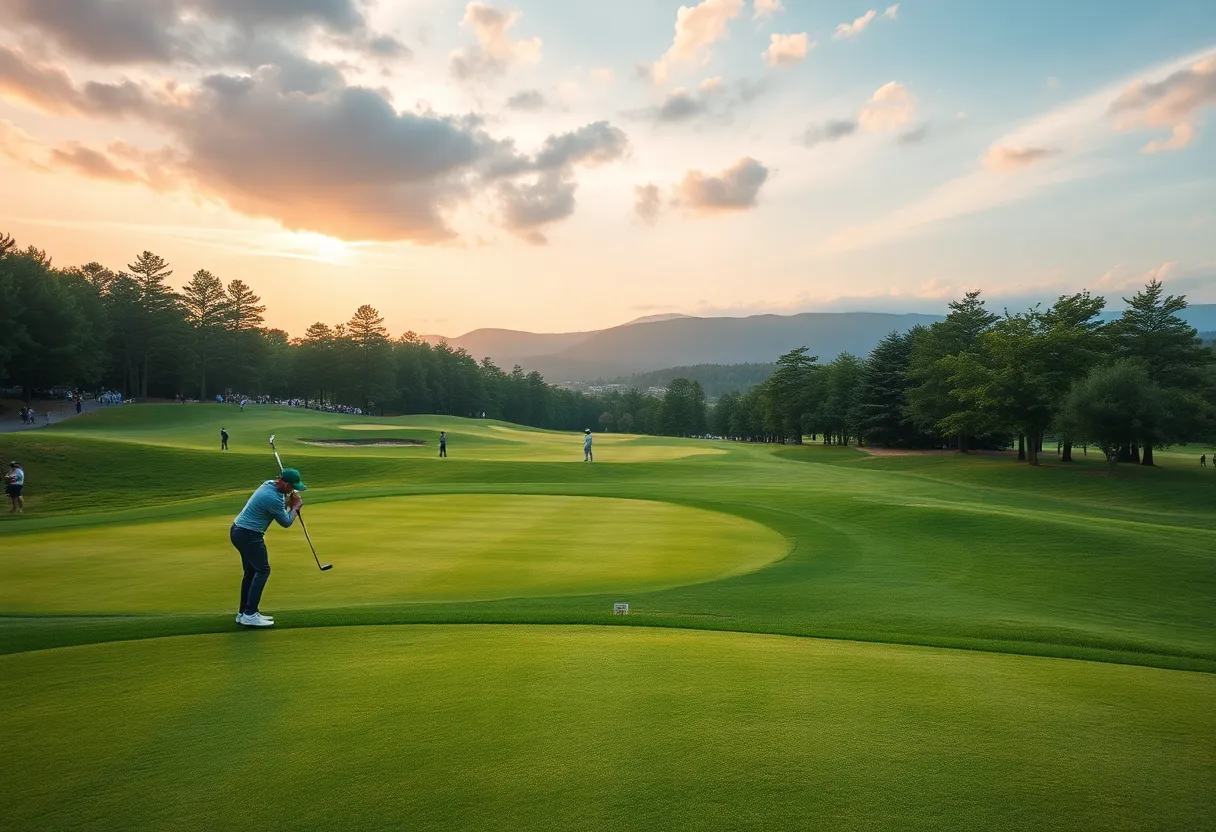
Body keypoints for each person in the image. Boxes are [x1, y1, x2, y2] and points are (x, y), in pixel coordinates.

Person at [230, 467, 306, 627]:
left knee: (251, 572)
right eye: (291, 486)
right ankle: (250, 614)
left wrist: (288, 498)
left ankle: (244, 613)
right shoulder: (272, 497)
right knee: (263, 570)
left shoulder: (269, 484)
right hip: (249, 535)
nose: (293, 489)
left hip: (240, 531)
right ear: (283, 482)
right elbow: (286, 522)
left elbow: (281, 501)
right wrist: (295, 506)